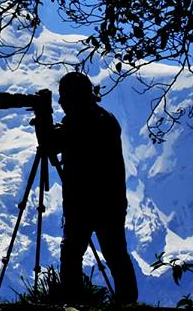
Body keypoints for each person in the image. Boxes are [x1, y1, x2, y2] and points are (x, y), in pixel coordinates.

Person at [50, 71, 138, 304]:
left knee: (73, 253)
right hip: (109, 202)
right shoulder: (102, 119)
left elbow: (52, 144)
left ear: (75, 97)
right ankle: (126, 302)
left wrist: (43, 120)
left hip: (87, 202)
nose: (61, 103)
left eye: (64, 97)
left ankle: (73, 301)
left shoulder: (86, 123)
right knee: (115, 254)